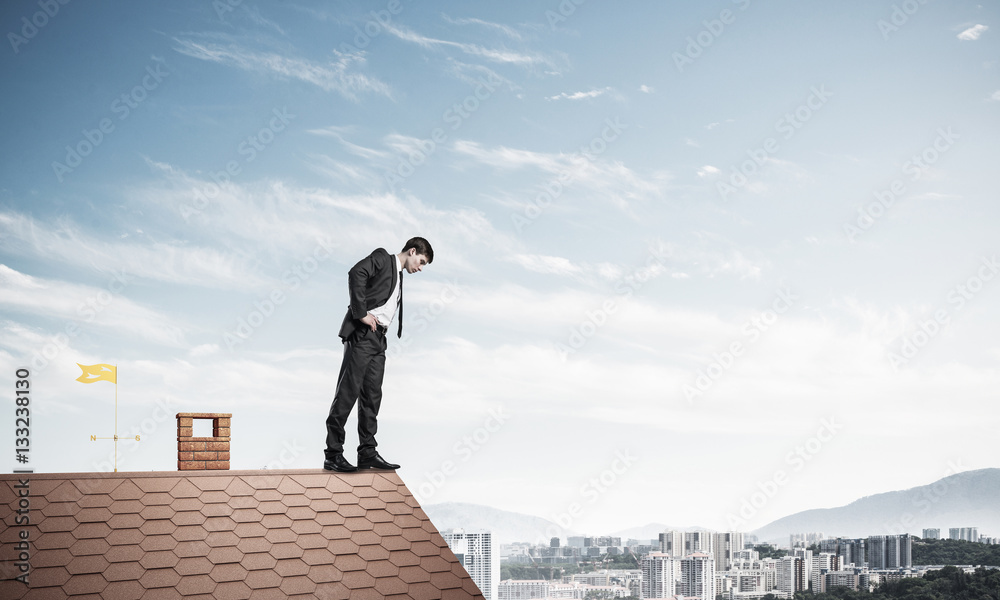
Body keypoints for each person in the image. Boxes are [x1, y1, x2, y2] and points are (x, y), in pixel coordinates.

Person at [323, 237, 433, 472]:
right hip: (362, 333)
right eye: (421, 261)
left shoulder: (399, 275)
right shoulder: (383, 258)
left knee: (372, 397)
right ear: (412, 251)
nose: (421, 268)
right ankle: (333, 454)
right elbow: (355, 273)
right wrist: (360, 312)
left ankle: (367, 452)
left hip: (378, 339)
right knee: (347, 393)